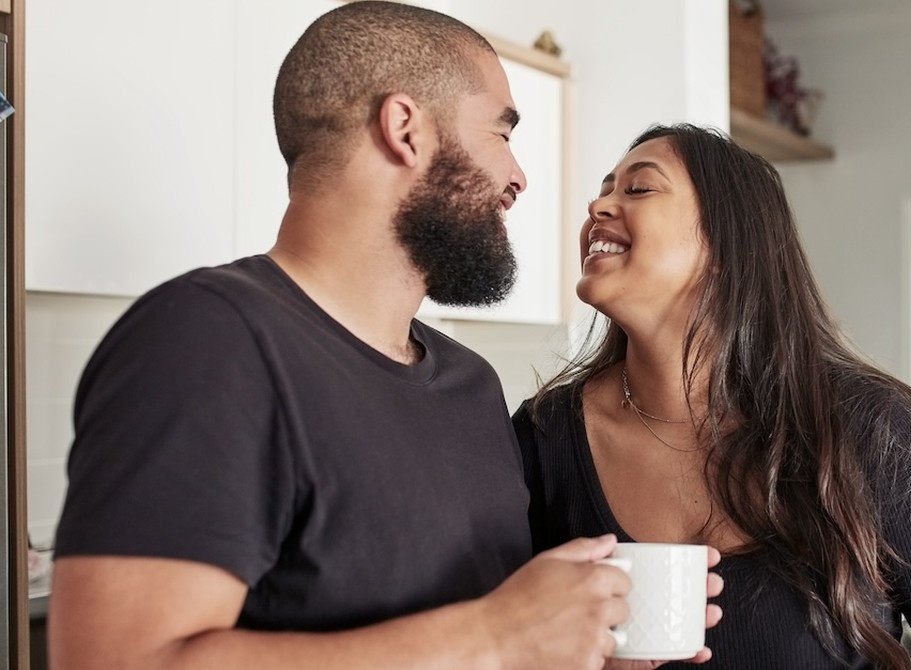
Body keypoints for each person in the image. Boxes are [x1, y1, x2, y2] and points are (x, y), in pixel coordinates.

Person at [48, 4, 724, 669]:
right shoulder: (205, 343)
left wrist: (563, 648)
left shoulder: (470, 385)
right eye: (501, 132)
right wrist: (496, 637)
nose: (519, 178)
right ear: (406, 129)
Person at [513, 124, 911, 668]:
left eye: (638, 189)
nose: (599, 205)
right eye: (603, 189)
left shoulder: (864, 427)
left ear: (725, 243)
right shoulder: (545, 436)